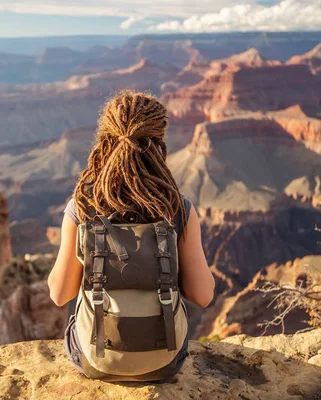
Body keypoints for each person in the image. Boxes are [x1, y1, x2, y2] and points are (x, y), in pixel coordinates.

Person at [47, 90, 215, 382]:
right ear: (158, 143)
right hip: (165, 362)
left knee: (74, 322)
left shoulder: (82, 207)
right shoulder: (178, 208)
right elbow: (203, 295)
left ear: (106, 139)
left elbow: (59, 294)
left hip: (97, 361)